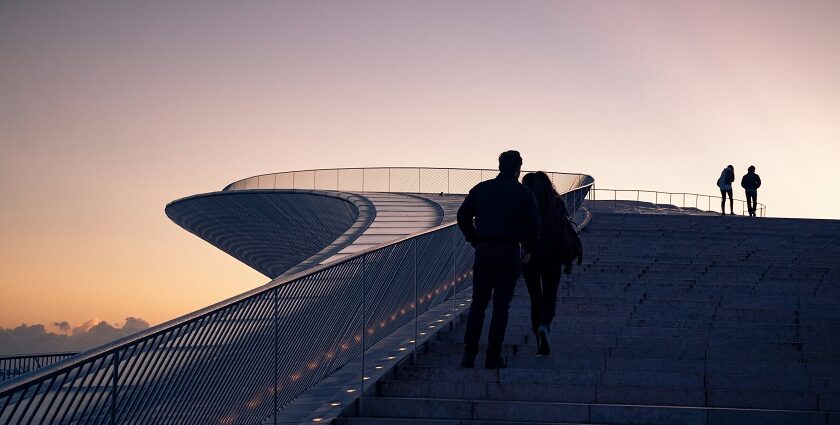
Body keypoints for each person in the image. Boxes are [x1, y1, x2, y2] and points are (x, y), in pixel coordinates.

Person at [456, 151, 541, 369]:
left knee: (478, 304)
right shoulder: (524, 193)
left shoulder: (482, 189)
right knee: (501, 306)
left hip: (484, 250)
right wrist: (529, 250)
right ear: (518, 168)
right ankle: (493, 356)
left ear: (500, 165)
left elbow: (462, 215)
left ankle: (469, 354)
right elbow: (534, 225)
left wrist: (473, 238)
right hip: (508, 251)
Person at [521, 171, 570, 357]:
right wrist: (566, 259)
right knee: (549, 297)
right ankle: (544, 326)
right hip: (552, 257)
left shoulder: (525, 204)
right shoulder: (555, 204)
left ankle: (538, 339)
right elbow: (563, 233)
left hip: (530, 256)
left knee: (535, 298)